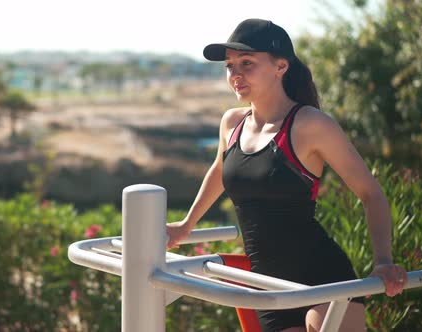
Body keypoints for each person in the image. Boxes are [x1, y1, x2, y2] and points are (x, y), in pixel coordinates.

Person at [166, 18, 408, 332]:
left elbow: (370, 193)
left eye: (247, 63)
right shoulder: (231, 123)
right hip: (267, 285)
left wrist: (383, 261)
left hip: (324, 279)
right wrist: (187, 225)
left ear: (281, 66)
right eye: (230, 65)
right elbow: (219, 170)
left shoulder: (310, 124)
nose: (235, 74)